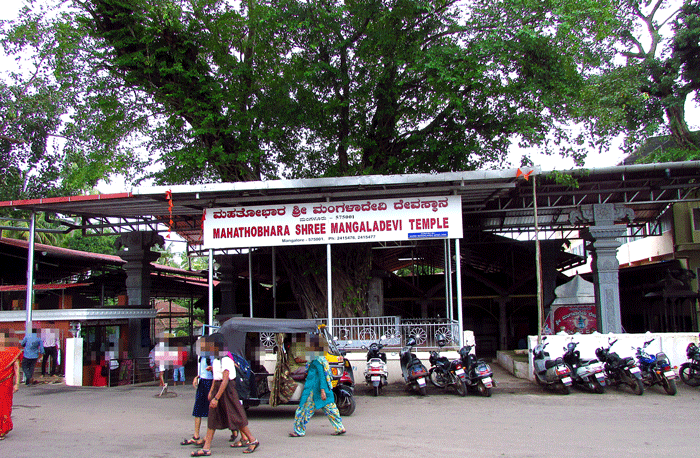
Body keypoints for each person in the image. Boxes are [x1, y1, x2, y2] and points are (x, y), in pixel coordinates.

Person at [191, 333, 259, 456]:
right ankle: (206, 448)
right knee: (212, 418)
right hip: (218, 388)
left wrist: (216, 398)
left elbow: (225, 380)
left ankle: (252, 440)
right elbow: (216, 378)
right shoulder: (216, 360)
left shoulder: (226, 360)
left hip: (227, 390)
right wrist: (212, 392)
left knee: (235, 417)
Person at [289, 356, 346, 437]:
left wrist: (322, 391)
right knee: (331, 409)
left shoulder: (317, 360)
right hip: (324, 389)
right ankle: (340, 428)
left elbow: (322, 375)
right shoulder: (321, 359)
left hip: (314, 390)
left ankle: (299, 430)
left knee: (303, 409)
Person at [181, 338, 212, 446]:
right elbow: (202, 371)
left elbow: (217, 370)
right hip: (202, 382)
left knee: (214, 411)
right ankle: (196, 435)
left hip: (211, 384)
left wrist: (212, 368)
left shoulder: (212, 356)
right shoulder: (202, 357)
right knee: (197, 409)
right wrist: (197, 377)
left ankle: (235, 430)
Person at [0, 332, 22, 440]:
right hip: (4, 383)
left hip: (5, 384)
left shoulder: (13, 353)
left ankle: (2, 430)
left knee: (4, 407)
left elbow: (17, 369)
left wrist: (16, 384)